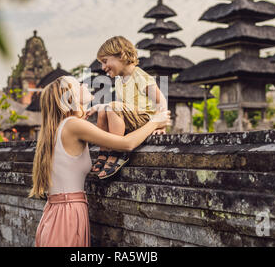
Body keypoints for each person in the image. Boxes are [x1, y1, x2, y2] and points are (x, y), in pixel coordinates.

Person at [28, 75, 170, 247]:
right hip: (66, 215)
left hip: (59, 212)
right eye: (79, 84)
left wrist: (103, 111)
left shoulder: (61, 127)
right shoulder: (73, 125)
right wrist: (155, 122)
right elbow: (126, 144)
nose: (85, 84)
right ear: (70, 97)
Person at [86, 36, 168, 179]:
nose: (103, 67)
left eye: (105, 61)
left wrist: (161, 125)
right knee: (103, 112)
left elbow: (161, 101)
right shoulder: (118, 81)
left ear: (121, 55)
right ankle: (104, 151)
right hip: (129, 118)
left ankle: (118, 152)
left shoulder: (139, 76)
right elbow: (120, 107)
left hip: (144, 119)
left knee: (111, 107)